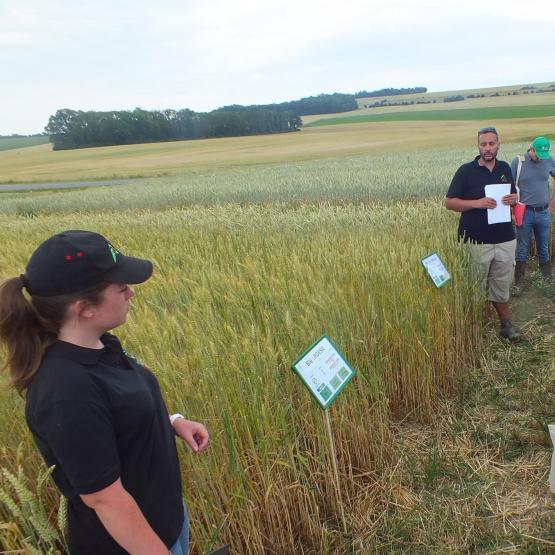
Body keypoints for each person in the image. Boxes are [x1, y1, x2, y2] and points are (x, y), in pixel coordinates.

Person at [0, 230, 209, 555]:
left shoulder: (100, 346)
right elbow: (106, 500)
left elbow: (117, 413)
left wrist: (172, 422)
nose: (131, 294)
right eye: (122, 287)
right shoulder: (66, 394)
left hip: (167, 522)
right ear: (85, 308)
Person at [445, 127, 520, 340]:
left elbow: (512, 195)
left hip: (505, 237)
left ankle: (506, 325)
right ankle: (476, 330)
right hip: (475, 241)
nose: (488, 148)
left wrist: (513, 199)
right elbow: (449, 202)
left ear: (498, 145)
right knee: (474, 287)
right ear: (478, 146)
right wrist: (477, 203)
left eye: (491, 144)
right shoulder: (465, 171)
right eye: (483, 144)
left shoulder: (505, 167)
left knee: (502, 283)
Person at [511, 136, 555, 291]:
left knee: (543, 247)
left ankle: (548, 283)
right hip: (525, 213)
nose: (540, 158)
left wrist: (551, 205)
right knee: (522, 247)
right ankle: (519, 284)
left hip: (543, 212)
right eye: (538, 154)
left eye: (543, 155)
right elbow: (509, 188)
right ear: (531, 149)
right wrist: (512, 212)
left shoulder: (549, 159)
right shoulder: (519, 162)